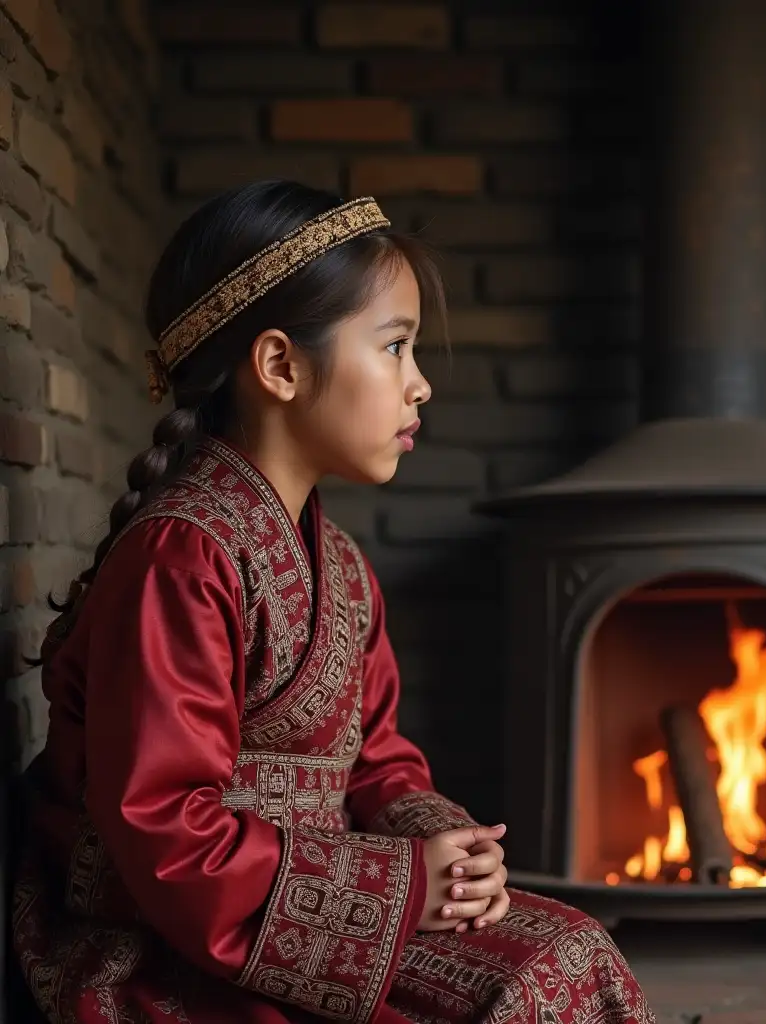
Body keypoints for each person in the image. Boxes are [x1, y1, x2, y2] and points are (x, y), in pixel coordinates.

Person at [11, 181, 655, 1024]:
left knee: (571, 953)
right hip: (171, 937)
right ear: (280, 365)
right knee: (519, 991)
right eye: (394, 348)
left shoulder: (340, 567)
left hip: (310, 907)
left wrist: (447, 856)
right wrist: (398, 886)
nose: (419, 385)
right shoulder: (182, 557)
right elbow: (164, 830)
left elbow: (376, 760)